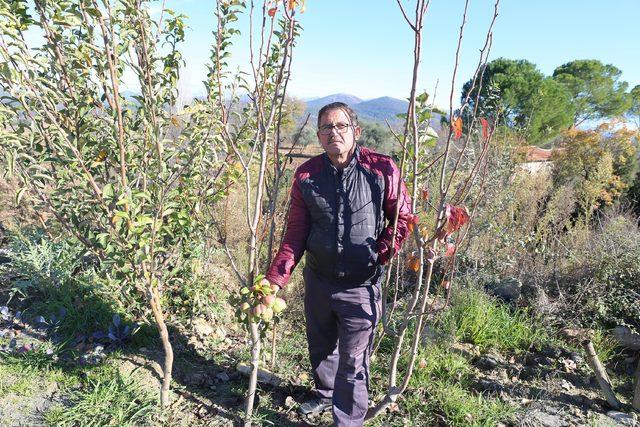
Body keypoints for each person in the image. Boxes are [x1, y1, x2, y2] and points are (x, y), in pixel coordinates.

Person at [265, 102, 413, 426]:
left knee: (354, 360)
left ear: (356, 132)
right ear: (319, 137)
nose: (335, 133)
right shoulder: (306, 175)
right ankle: (325, 394)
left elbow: (402, 216)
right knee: (320, 345)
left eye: (341, 126)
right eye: (327, 128)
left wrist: (383, 250)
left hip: (361, 284)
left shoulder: (383, 169)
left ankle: (347, 421)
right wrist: (274, 280)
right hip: (318, 280)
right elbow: (295, 234)